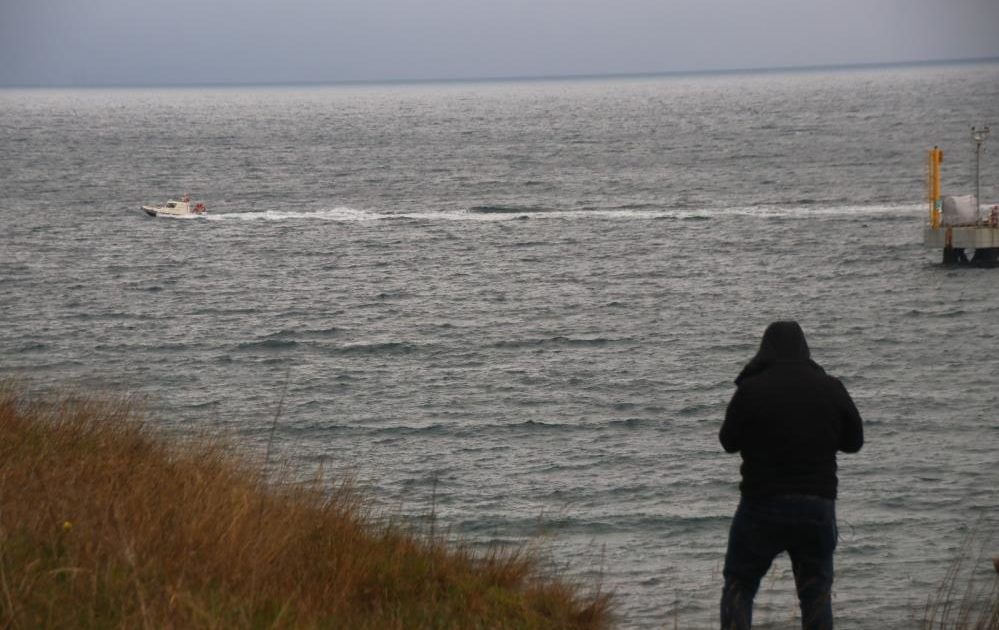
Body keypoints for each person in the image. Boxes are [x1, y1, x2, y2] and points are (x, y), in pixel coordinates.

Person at [719, 321, 863, 630]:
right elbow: (855, 442)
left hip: (761, 506)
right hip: (817, 506)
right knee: (815, 596)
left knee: (739, 584)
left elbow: (728, 441)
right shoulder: (829, 387)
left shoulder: (752, 388)